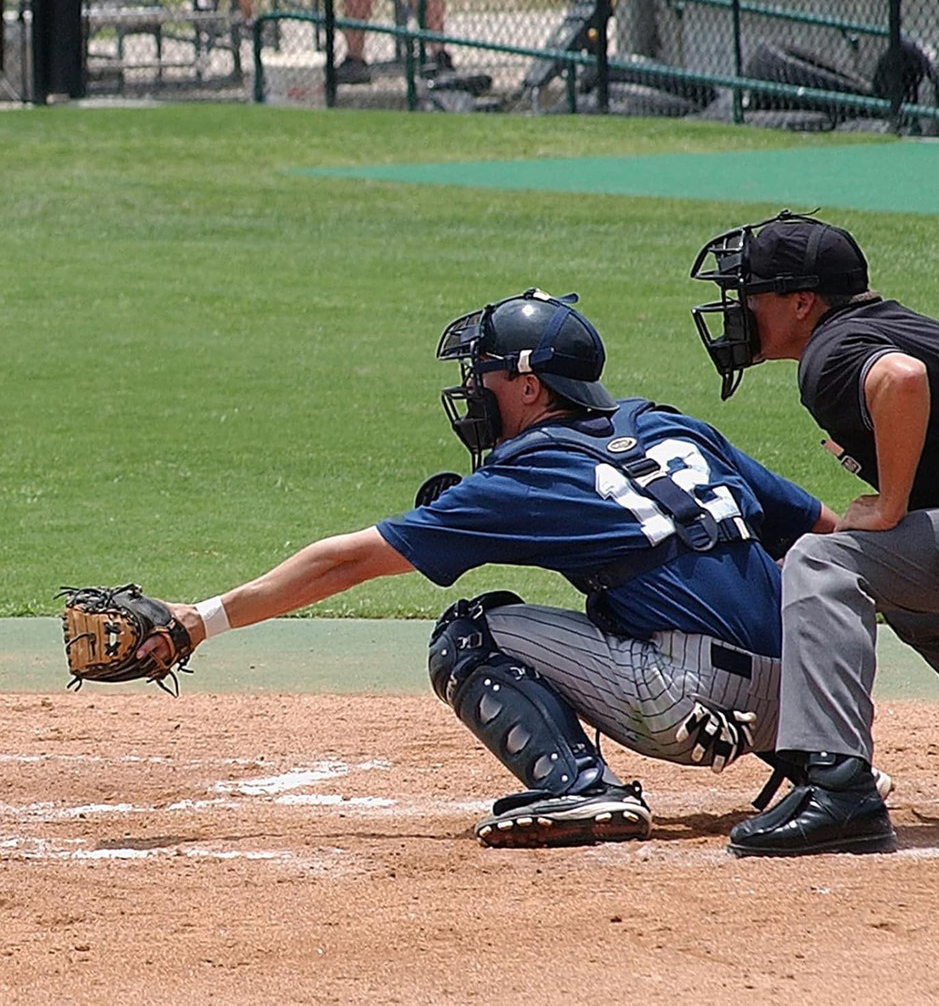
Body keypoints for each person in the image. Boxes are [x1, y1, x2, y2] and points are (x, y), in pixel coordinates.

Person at [142, 288, 844, 850]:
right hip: (804, 704)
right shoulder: (674, 428)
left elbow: (349, 562)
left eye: (486, 375)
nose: (475, 390)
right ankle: (830, 771)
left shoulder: (530, 471)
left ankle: (580, 785)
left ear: (530, 385)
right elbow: (825, 534)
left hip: (683, 705)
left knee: (471, 632)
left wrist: (199, 620)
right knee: (751, 564)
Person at [689, 210, 939, 857]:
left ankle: (841, 788)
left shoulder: (833, 350)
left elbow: (901, 379)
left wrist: (891, 505)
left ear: (802, 301)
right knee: (920, 606)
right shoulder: (883, 324)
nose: (741, 309)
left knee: (825, 561)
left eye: (754, 295)